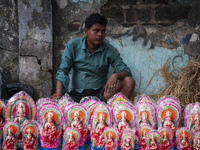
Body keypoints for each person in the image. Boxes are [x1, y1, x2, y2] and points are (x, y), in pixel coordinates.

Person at [54, 13, 135, 102]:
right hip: (76, 95)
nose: (100, 34)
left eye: (103, 31)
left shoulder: (110, 50)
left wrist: (115, 75)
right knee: (47, 103)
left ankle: (115, 110)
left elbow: (126, 71)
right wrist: (58, 95)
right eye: (96, 30)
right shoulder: (73, 45)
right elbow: (63, 71)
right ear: (86, 31)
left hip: (101, 95)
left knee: (129, 81)